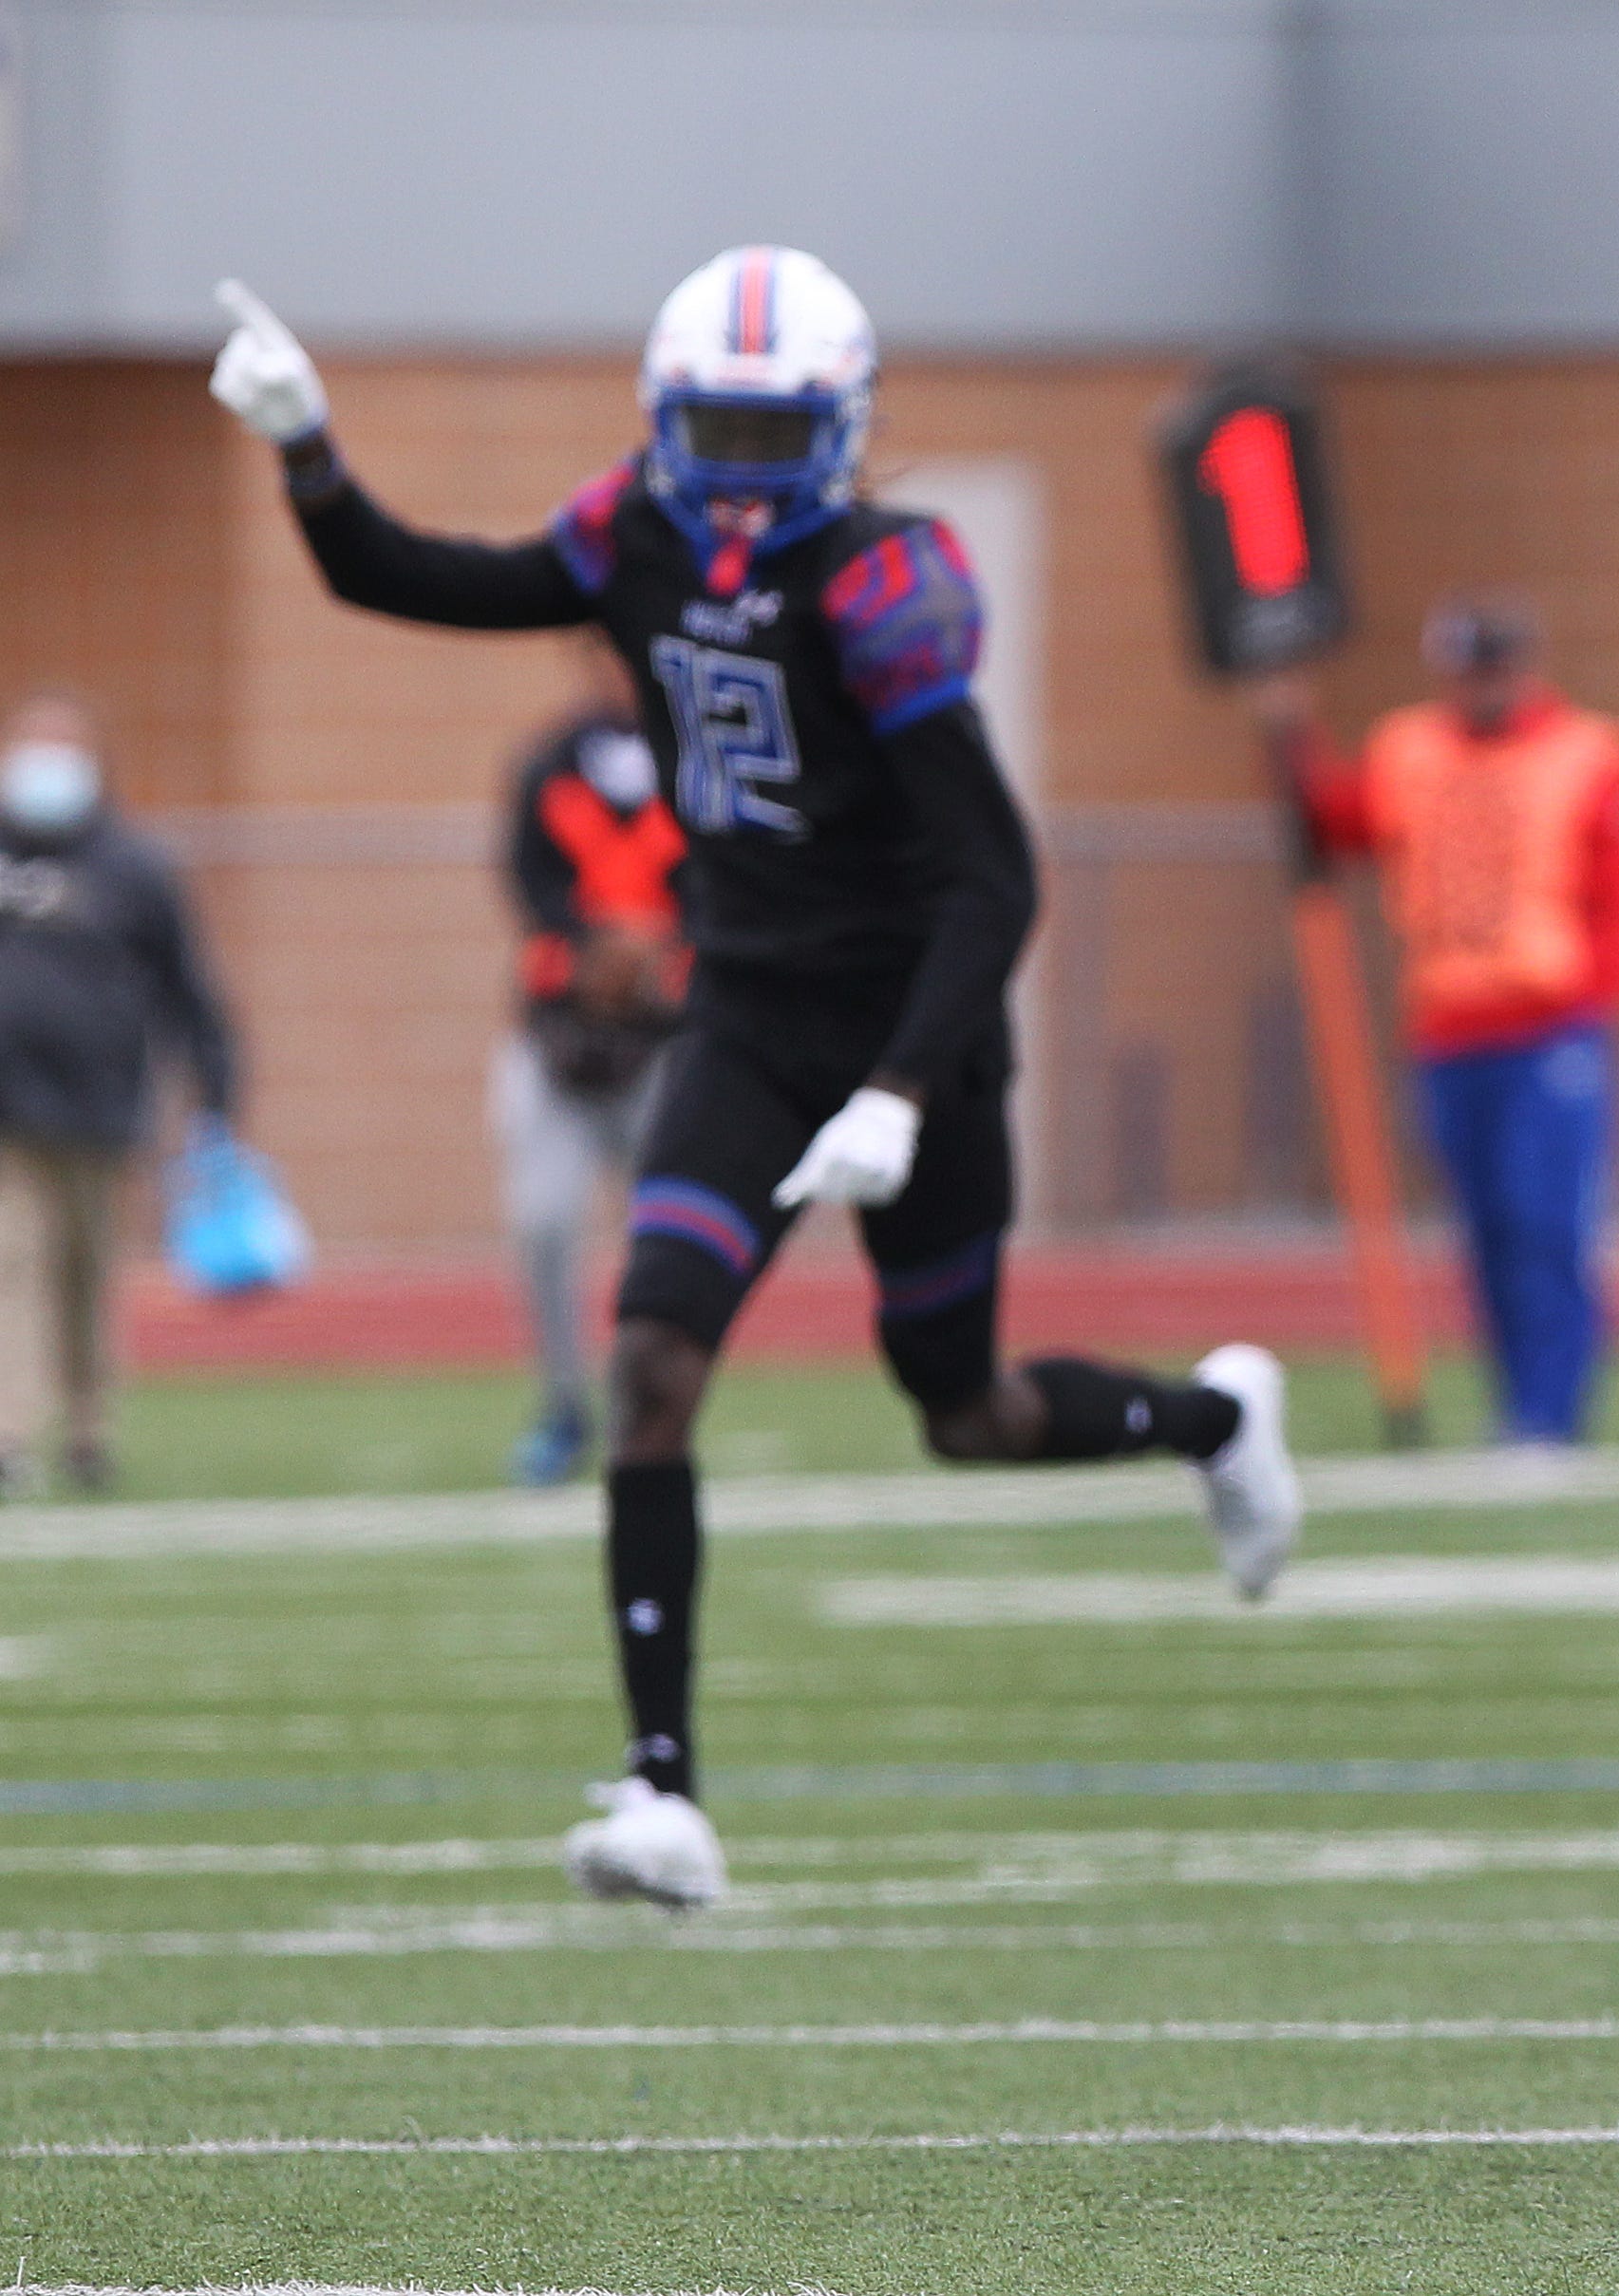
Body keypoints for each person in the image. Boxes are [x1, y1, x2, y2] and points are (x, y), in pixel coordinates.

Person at [208, 251, 1303, 1910]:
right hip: (745, 1020)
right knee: (651, 1358)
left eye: (761, 427)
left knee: (964, 1408)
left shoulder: (884, 581)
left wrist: (905, 1088)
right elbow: (407, 577)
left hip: (907, 1025)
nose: (728, 464)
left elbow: (993, 877)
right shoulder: (631, 531)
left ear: (840, 427)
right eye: (703, 425)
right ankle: (666, 1795)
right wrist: (304, 447)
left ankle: (1217, 1416)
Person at [1262, 597, 1619, 1445]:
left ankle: (1551, 1414)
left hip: (1548, 1030)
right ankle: (1514, 1404)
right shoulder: (1407, 749)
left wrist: (1593, 1000)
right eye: (1470, 668)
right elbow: (1335, 826)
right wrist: (1290, 736)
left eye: (1498, 665)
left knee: (1546, 1223)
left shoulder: (1586, 752)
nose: (1484, 684)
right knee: (1484, 1231)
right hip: (1447, 1029)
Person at [0, 693, 241, 1495]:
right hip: (8, 1110)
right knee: (13, 1263)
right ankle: (11, 1432)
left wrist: (216, 1090)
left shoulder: (134, 866)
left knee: (87, 1272)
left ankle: (88, 1427)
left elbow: (187, 987)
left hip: (103, 1107)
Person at [498, 635, 687, 1487]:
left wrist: (660, 950)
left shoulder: (698, 757)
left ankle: (651, 1400)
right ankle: (565, 1402)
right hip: (562, 1038)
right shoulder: (550, 761)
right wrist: (589, 949)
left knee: (667, 1233)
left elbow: (720, 880)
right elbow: (528, 878)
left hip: (667, 1040)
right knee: (542, 1220)